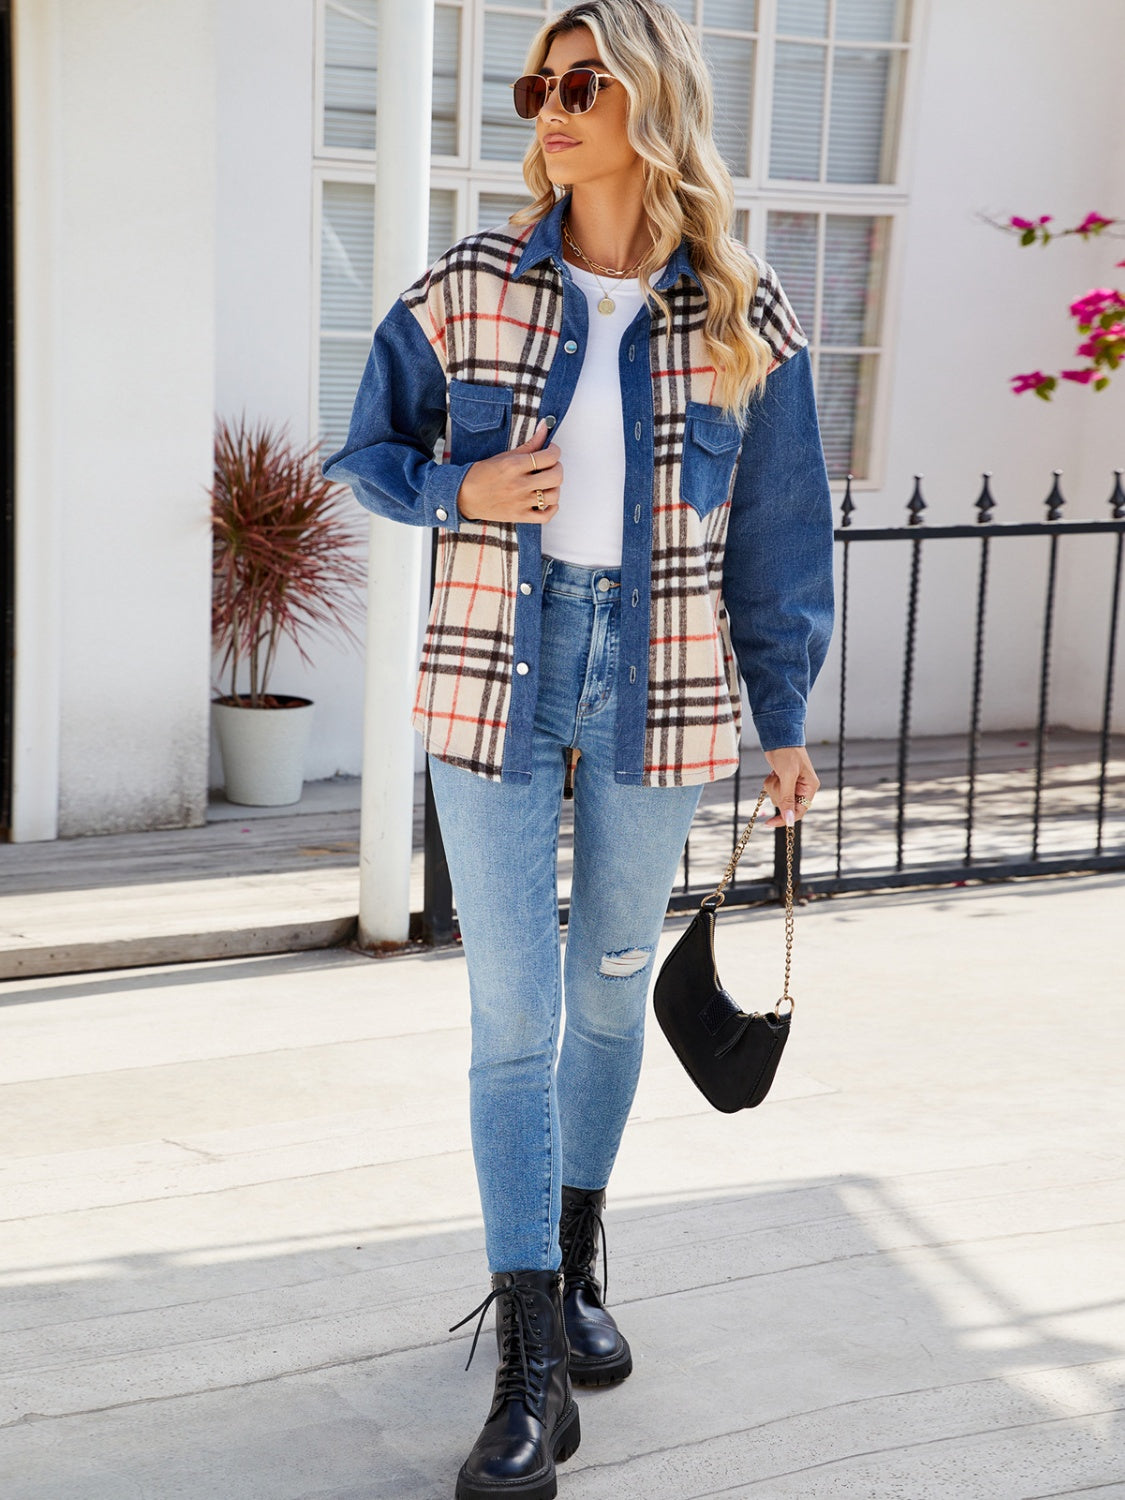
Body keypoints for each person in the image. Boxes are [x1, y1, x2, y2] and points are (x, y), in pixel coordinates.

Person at [323, 2, 834, 1494]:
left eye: (580, 83)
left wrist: (784, 723)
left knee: (608, 1000)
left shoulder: (741, 312)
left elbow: (780, 539)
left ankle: (575, 1250)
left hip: (658, 689)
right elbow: (368, 453)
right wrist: (461, 491)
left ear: (649, 104)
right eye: (535, 85)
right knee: (512, 1017)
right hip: (493, 676)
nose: (548, 108)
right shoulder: (468, 286)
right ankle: (532, 1361)